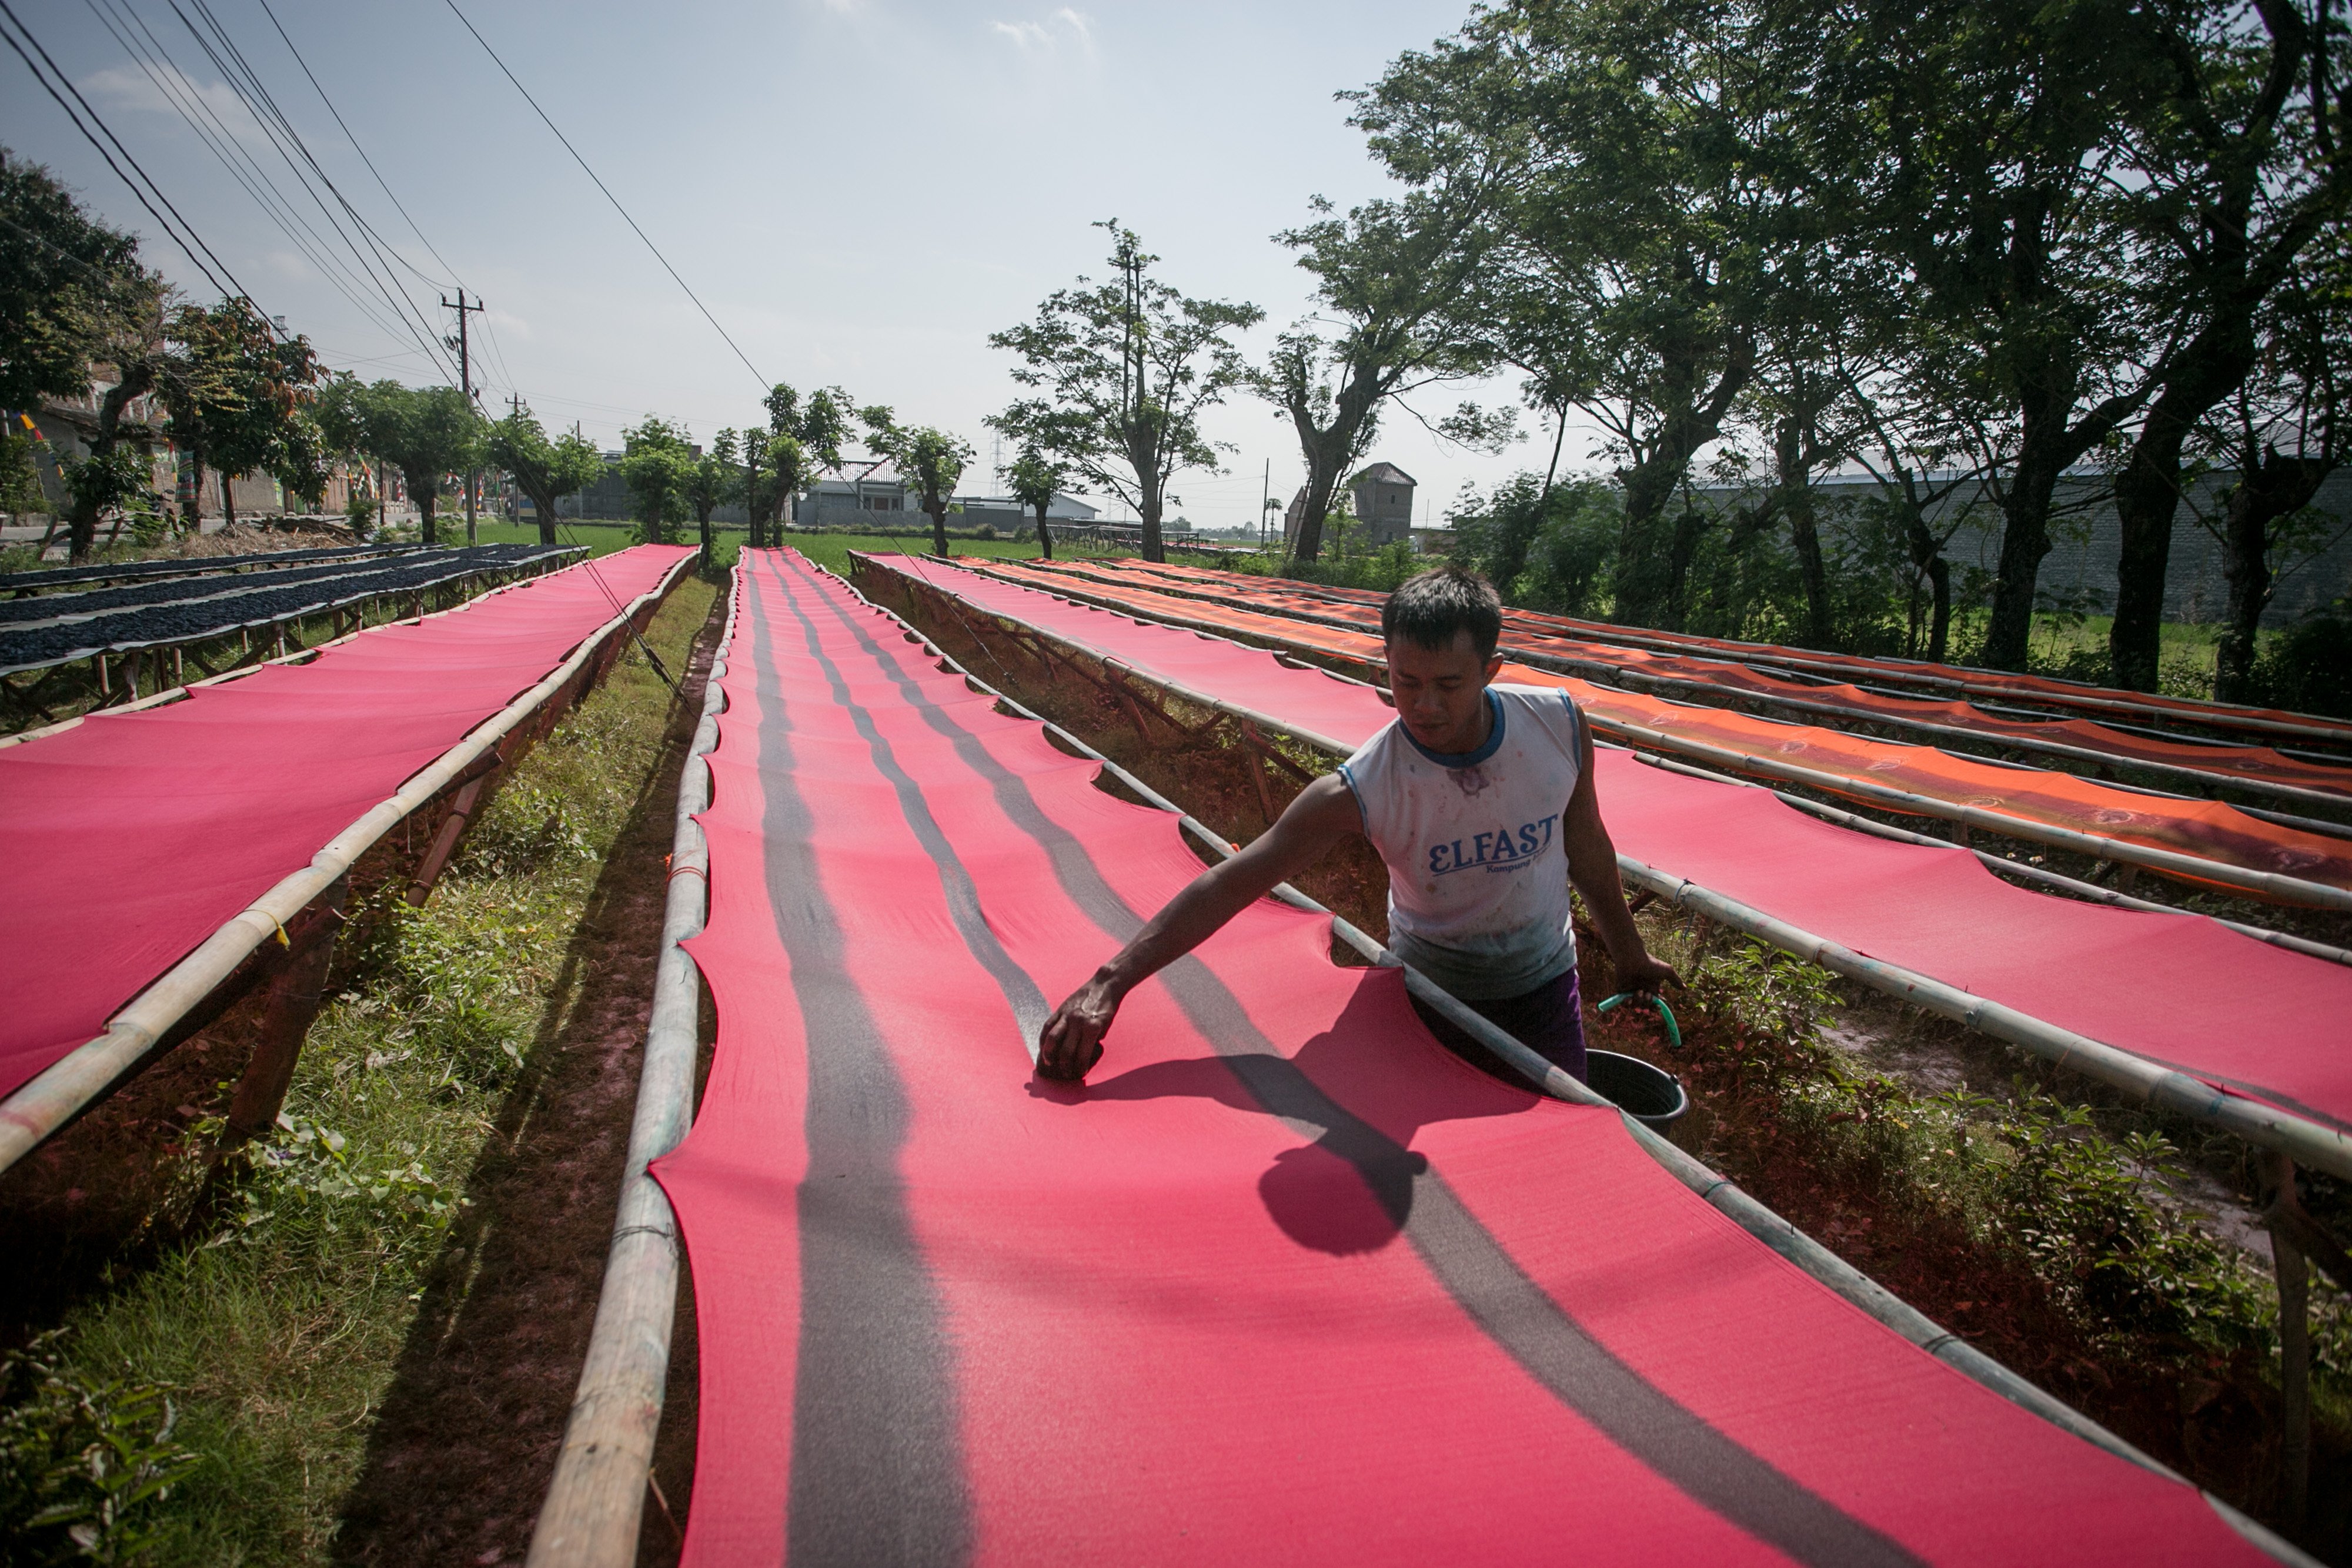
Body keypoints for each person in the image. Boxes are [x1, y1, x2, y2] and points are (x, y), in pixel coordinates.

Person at [1038, 564, 1677, 1082]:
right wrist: (1110, 982)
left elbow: (1585, 841)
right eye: (1406, 682)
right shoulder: (1367, 785)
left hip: (1543, 987)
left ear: (1490, 671)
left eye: (1449, 685)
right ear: (1385, 669)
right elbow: (1236, 880)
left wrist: (1628, 952)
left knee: (1550, 1145)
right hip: (1426, 997)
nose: (1424, 706)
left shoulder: (1557, 727)